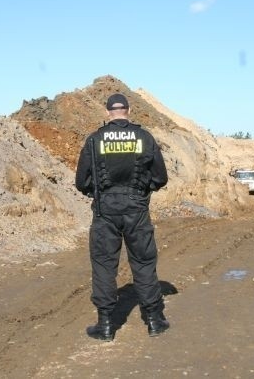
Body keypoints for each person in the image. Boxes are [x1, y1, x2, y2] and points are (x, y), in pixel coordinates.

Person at [75, 93, 169, 341]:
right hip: (136, 208)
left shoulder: (95, 140)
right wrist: (142, 191)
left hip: (105, 210)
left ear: (108, 113)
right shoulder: (144, 137)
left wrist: (98, 193)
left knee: (104, 265)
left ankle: (105, 325)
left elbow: (81, 181)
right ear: (128, 110)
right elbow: (160, 177)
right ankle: (154, 321)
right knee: (144, 262)